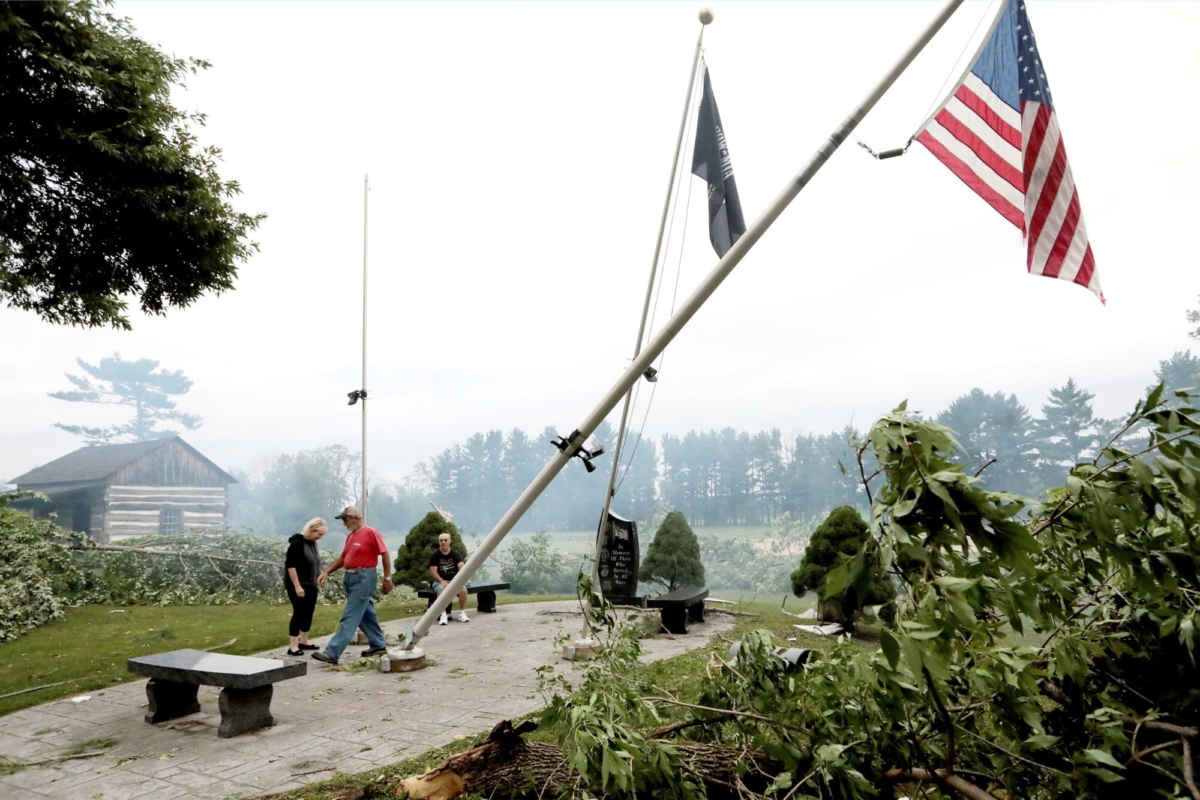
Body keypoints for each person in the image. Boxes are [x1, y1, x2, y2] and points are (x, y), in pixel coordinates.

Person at [311, 506, 393, 665]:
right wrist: (327, 572)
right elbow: (344, 557)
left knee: (350, 615)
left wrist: (387, 577)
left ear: (355, 517)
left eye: (345, 519)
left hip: (364, 577)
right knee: (365, 613)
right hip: (351, 578)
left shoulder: (371, 533)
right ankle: (378, 645)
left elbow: (385, 554)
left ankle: (332, 652)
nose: (343, 523)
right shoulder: (351, 536)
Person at [283, 518, 326, 656]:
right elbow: (291, 566)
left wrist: (318, 577)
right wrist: (297, 586)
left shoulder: (313, 544)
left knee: (309, 612)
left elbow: (314, 562)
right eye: (319, 534)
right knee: (299, 613)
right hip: (298, 585)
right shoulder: (297, 544)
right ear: (312, 530)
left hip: (312, 584)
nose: (320, 538)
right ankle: (293, 646)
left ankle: (304, 641)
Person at [428, 533, 469, 625]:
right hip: (440, 581)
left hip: (454, 581)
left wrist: (458, 582)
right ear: (439, 542)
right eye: (441, 540)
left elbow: (462, 569)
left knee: (463, 590)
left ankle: (462, 613)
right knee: (441, 591)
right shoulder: (435, 555)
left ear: (449, 541)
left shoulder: (456, 554)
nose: (443, 542)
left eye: (445, 540)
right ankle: (443, 615)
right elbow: (433, 571)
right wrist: (442, 581)